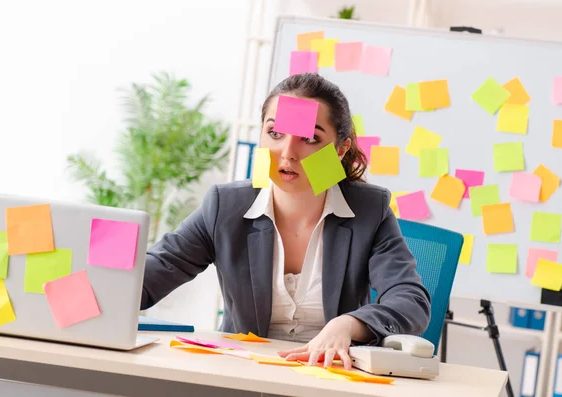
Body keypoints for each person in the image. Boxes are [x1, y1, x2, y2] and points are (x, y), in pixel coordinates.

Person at [140, 73, 431, 369]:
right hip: (242, 376)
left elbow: (410, 302)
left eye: (309, 139)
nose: (287, 154)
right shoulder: (225, 206)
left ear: (341, 149)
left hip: (329, 377)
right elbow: (149, 276)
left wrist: (349, 324)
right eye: (275, 134)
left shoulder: (370, 210)